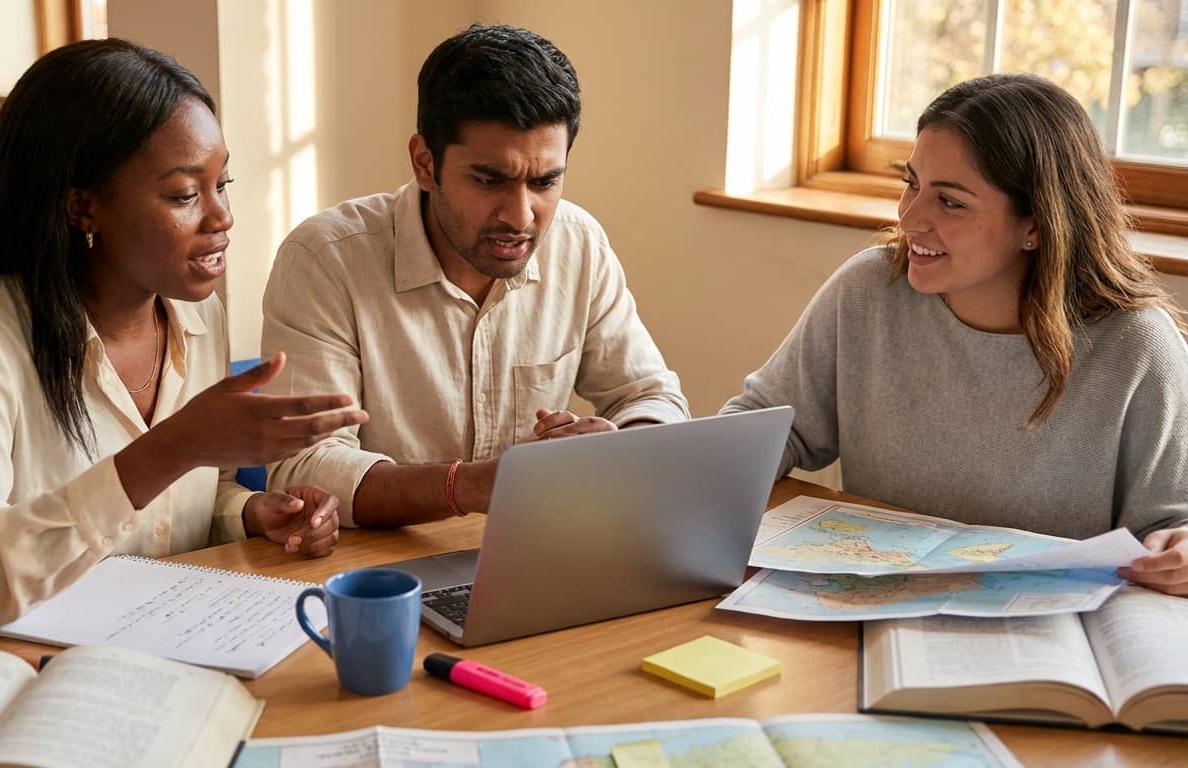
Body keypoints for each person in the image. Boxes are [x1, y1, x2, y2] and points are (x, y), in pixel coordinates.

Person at [0, 39, 369, 640]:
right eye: (184, 195)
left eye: (222, 183)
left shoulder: (199, 316)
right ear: (82, 209)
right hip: (33, 665)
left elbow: (190, 503)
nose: (222, 217)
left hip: (171, 646)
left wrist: (249, 514)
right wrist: (167, 451)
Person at [722, 73, 1188, 595]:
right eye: (912, 184)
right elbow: (768, 425)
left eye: (950, 202)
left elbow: (1174, 522)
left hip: (1051, 627)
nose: (910, 218)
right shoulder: (868, 291)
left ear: (1035, 225)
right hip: (873, 612)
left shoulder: (1137, 345)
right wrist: (688, 471)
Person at [259, 24, 689, 529]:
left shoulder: (579, 244)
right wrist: (468, 485)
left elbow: (652, 396)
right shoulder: (324, 259)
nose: (521, 216)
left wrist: (621, 446)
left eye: (545, 181)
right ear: (425, 163)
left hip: (531, 550)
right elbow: (302, 468)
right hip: (379, 565)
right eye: (489, 180)